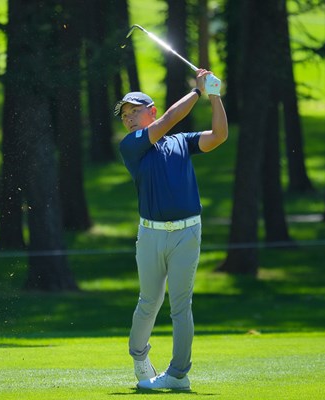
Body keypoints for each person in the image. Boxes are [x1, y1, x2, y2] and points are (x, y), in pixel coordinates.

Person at [114, 69, 228, 390]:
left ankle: (178, 374)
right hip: (151, 234)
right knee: (149, 301)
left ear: (149, 110)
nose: (130, 119)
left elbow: (218, 136)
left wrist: (214, 94)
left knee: (181, 305)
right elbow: (166, 121)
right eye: (125, 115)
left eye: (135, 112)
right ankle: (139, 357)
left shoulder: (182, 143)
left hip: (187, 233)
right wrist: (197, 91)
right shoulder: (131, 146)